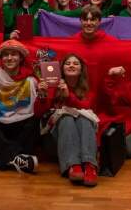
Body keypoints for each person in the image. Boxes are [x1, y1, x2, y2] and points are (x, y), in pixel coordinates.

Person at [0, 40, 44, 174]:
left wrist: (42, 94)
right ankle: (19, 159)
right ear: (1, 59)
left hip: (20, 125)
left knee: (34, 124)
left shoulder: (31, 80)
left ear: (20, 58)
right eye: (5, 55)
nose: (9, 58)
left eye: (13, 54)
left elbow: (38, 111)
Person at [41, 53, 100, 187]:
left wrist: (69, 96)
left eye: (75, 63)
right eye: (68, 63)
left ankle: (89, 166)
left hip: (83, 140)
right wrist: (43, 95)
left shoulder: (88, 89)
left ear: (81, 69)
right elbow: (41, 113)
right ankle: (73, 165)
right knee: (66, 118)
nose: (71, 66)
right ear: (62, 68)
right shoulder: (52, 84)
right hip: (56, 140)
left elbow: (87, 107)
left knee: (84, 117)